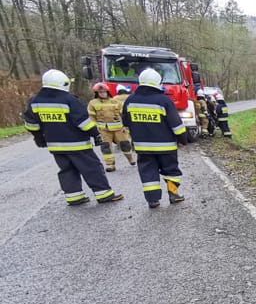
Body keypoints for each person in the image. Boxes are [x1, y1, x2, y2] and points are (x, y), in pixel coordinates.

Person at [21, 69, 123, 205]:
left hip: (55, 145)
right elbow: (83, 122)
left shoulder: (34, 101)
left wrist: (39, 137)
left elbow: (31, 123)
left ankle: (74, 197)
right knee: (92, 167)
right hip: (77, 144)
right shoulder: (68, 100)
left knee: (66, 170)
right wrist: (95, 134)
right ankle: (103, 194)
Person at [122, 68, 187, 208]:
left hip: (142, 147)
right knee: (171, 170)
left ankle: (153, 200)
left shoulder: (130, 100)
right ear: (158, 82)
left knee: (147, 172)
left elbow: (126, 123)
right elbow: (176, 125)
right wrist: (183, 140)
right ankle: (174, 194)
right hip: (166, 147)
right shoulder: (164, 100)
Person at [87, 82, 135, 171]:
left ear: (107, 92)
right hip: (103, 130)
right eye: (100, 92)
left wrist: (125, 126)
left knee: (125, 145)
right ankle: (110, 165)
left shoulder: (115, 101)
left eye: (104, 91)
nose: (102, 93)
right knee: (106, 147)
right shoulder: (93, 103)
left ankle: (130, 159)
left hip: (118, 129)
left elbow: (123, 115)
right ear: (96, 93)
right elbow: (91, 117)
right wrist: (95, 130)